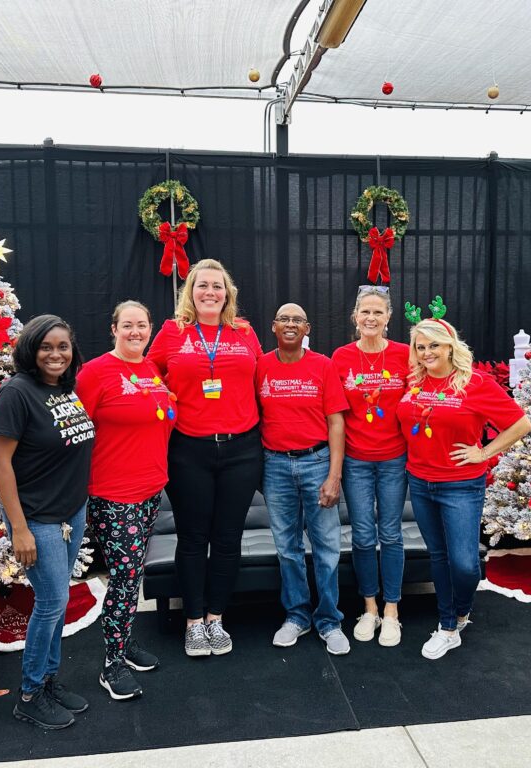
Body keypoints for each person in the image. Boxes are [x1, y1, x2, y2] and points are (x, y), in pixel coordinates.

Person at [146, 259, 263, 657]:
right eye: (202, 286)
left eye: (217, 286)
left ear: (227, 292)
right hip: (189, 450)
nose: (210, 292)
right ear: (190, 292)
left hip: (242, 449)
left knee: (228, 539)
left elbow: (262, 380)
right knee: (193, 539)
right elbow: (148, 374)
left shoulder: (244, 332)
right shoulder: (172, 331)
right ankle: (193, 622)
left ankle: (216, 617)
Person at [397, 318, 531, 660]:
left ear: (451, 346)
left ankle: (462, 611)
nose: (427, 353)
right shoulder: (414, 382)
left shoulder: (475, 384)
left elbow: (521, 424)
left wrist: (484, 452)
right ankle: (447, 626)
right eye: (420, 346)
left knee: (465, 564)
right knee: (439, 557)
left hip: (460, 485)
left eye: (434, 345)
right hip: (421, 481)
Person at [0, 314, 95, 729]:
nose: (56, 354)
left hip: (70, 511)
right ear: (31, 349)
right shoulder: (16, 393)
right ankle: (30, 693)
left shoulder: (64, 390)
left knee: (59, 600)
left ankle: (49, 680)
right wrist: (19, 527)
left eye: (63, 347)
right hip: (36, 518)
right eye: (46, 347)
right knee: (51, 603)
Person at [76, 300, 175, 701]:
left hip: (151, 489)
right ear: (113, 329)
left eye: (142, 325)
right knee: (124, 577)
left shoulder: (151, 369)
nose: (135, 332)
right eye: (127, 325)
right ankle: (111, 665)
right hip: (114, 494)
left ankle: (126, 643)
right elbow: (76, 433)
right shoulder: (96, 372)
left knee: (132, 575)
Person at [258, 303, 351, 655]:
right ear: (274, 326)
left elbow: (336, 423)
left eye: (298, 319)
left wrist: (334, 475)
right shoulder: (261, 366)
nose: (291, 324)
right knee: (288, 549)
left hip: (317, 462)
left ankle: (329, 621)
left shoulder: (323, 366)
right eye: (284, 319)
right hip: (275, 465)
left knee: (327, 549)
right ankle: (297, 616)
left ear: (308, 327)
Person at [331, 286, 411, 647]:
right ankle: (370, 608)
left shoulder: (405, 355)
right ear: (355, 317)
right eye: (365, 311)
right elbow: (336, 414)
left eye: (378, 312)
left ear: (389, 318)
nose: (371, 318)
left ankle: (392, 611)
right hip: (357, 460)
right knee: (363, 536)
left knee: (391, 534)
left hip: (395, 457)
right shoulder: (341, 357)